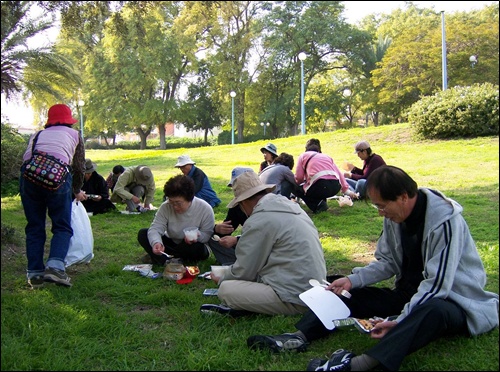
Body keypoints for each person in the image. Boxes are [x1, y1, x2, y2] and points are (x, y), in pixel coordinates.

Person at [247, 165, 499, 372]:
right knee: (342, 289)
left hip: (454, 303)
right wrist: (351, 281)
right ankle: (298, 337)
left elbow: (437, 286)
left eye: (382, 206)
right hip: (407, 295)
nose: (380, 213)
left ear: (403, 197)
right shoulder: (395, 217)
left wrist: (400, 321)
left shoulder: (445, 221)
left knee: (432, 309)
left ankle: (359, 365)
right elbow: (388, 262)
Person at [200, 171, 327, 316]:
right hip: (314, 288)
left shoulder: (259, 219)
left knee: (226, 289)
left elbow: (244, 271)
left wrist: (223, 277)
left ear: (244, 202)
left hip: (295, 296)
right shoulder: (292, 208)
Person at [19, 103, 86, 288]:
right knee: (62, 226)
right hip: (57, 176)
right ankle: (55, 268)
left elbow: (26, 159)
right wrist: (76, 190)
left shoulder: (37, 134)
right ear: (69, 121)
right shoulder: (74, 135)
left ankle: (35, 274)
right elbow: (79, 167)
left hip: (28, 177)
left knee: (34, 226)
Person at [137, 175, 215, 265]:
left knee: (194, 248)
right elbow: (156, 228)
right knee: (143, 234)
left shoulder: (205, 208)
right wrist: (156, 243)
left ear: (190, 198)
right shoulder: (165, 207)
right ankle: (170, 259)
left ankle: (166, 258)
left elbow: (207, 235)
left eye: (178, 203)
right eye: (171, 201)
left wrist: (198, 235)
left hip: (193, 245)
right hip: (172, 242)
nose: (174, 206)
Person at [208, 167, 254, 265]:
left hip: (266, 247)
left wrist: (237, 240)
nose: (235, 190)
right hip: (247, 243)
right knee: (212, 237)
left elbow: (264, 237)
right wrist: (218, 229)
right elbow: (227, 228)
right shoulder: (237, 206)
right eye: (234, 187)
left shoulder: (265, 205)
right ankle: (235, 262)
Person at [294, 142, 351, 213]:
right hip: (336, 186)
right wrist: (346, 190)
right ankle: (321, 202)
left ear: (306, 150)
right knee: (316, 185)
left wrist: (298, 185)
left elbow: (299, 178)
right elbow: (339, 173)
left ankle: (318, 205)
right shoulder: (326, 157)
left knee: (299, 189)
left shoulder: (303, 156)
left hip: (320, 185)